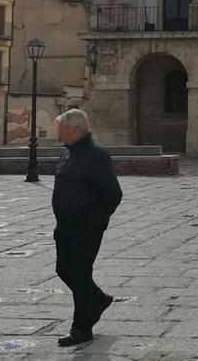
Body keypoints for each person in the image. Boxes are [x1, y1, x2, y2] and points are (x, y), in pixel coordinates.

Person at [51, 109, 123, 347]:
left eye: (61, 130)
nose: (58, 135)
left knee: (80, 274)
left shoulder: (96, 155)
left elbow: (113, 194)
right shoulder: (67, 153)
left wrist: (93, 221)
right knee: (64, 269)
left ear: (73, 130)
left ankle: (82, 328)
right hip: (65, 226)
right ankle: (98, 299)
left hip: (86, 228)